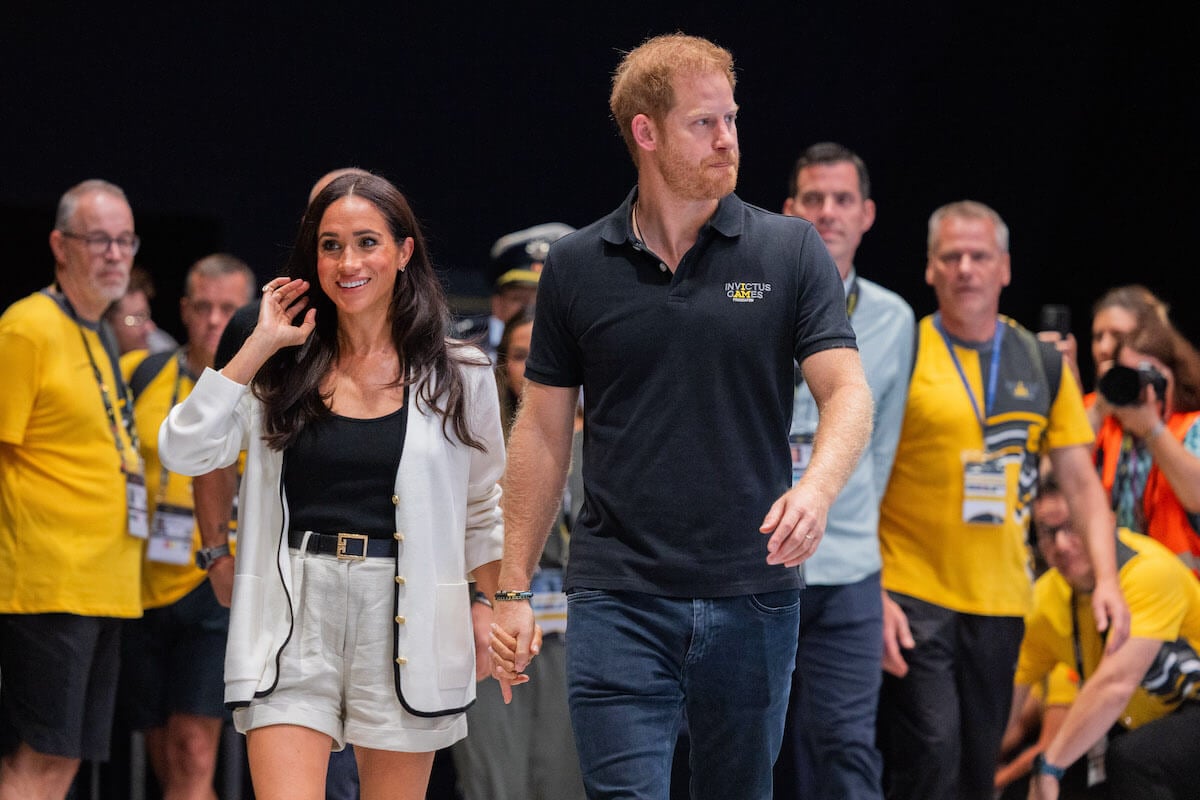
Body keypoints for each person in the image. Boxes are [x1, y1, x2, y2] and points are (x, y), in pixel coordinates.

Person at [489, 33, 874, 800]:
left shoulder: (790, 250)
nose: (728, 138)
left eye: (732, 118)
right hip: (617, 594)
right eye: (704, 123)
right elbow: (538, 429)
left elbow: (848, 392)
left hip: (754, 592)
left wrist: (817, 490)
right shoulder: (574, 266)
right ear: (646, 131)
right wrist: (510, 588)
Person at [159, 171, 512, 800]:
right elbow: (183, 450)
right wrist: (258, 344)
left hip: (406, 611)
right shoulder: (278, 361)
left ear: (404, 252)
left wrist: (487, 605)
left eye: (367, 242)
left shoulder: (461, 372)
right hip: (293, 607)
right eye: (330, 245)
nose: (348, 261)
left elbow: (482, 505)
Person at [876, 200, 1129, 800]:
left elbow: (1081, 482)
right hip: (913, 590)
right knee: (931, 751)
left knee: (977, 760)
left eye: (979, 256)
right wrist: (874, 587)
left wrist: (1111, 579)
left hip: (1001, 598)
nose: (966, 268)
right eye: (951, 257)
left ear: (1005, 268)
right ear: (930, 270)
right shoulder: (902, 352)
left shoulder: (1039, 363)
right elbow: (863, 479)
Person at [776, 142, 914, 800]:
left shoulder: (894, 318)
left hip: (850, 571)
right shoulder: (753, 301)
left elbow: (880, 450)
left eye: (842, 200)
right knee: (742, 743)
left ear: (867, 214)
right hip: (757, 563)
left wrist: (875, 564)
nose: (828, 213)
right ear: (790, 213)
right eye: (814, 200)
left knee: (844, 746)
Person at [0, 179, 144, 800]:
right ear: (60, 246)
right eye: (98, 240)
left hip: (105, 583)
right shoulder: (26, 328)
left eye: (125, 240)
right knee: (41, 758)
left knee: (65, 764)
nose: (115, 254)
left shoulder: (99, 331)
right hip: (48, 584)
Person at [117, 253, 255, 799]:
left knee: (195, 751)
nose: (214, 320)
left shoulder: (267, 393)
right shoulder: (140, 375)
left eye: (229, 308)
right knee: (165, 756)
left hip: (215, 583)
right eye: (203, 307)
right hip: (141, 584)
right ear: (183, 310)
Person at [452, 305, 586, 800]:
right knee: (495, 782)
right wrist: (476, 601)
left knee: (567, 782)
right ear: (500, 364)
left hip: (582, 639)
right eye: (520, 355)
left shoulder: (612, 438)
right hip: (495, 627)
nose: (532, 368)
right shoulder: (479, 441)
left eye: (545, 354)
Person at [1016, 468, 1200, 800]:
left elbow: (1114, 685)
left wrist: (1049, 765)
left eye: (1073, 527)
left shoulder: (1147, 571)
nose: (1061, 545)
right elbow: (1007, 704)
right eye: (1047, 532)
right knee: (1064, 771)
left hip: (1190, 710)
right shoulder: (1045, 600)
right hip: (1142, 722)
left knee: (1133, 758)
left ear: (1106, 522)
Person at [1091, 309, 1200, 572]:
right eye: (1130, 374)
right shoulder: (1106, 427)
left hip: (1184, 592)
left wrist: (1152, 429)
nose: (1142, 387)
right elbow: (1055, 476)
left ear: (1174, 372)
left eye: (1149, 373)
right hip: (1121, 582)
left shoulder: (1192, 426)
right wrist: (1101, 404)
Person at [450, 222, 575, 362]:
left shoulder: (585, 350)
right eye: (520, 299)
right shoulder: (457, 345)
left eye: (546, 300)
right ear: (498, 303)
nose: (532, 310)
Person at [1080, 285, 1170, 432]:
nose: (1104, 348)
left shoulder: (1186, 409)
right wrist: (1097, 412)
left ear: (1151, 341)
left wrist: (1152, 429)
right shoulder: (1088, 408)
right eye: (1098, 337)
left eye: (1118, 336)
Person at [105, 264, 180, 355]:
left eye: (146, 315)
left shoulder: (162, 349)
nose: (150, 328)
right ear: (108, 324)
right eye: (137, 319)